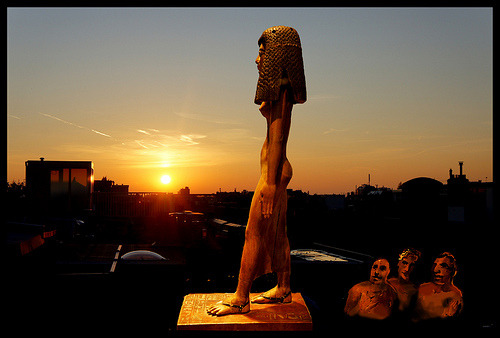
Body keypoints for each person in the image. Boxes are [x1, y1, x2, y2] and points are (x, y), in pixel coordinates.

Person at [207, 26, 306, 316]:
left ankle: (240, 297)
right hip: (276, 171)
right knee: (278, 234)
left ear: (276, 54)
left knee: (253, 233)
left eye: (262, 52)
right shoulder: (283, 90)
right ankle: (283, 288)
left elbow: (277, 139)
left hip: (272, 173)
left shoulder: (282, 92)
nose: (257, 59)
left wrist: (270, 188)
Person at [413, 252, 463, 321]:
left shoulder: (456, 295)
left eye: (443, 266)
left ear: (453, 271)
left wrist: (448, 316)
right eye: (435, 265)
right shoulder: (422, 288)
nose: (435, 270)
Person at [388, 248, 421, 312]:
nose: (407, 269)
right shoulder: (387, 283)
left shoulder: (416, 291)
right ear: (398, 263)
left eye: (412, 265)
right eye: (405, 263)